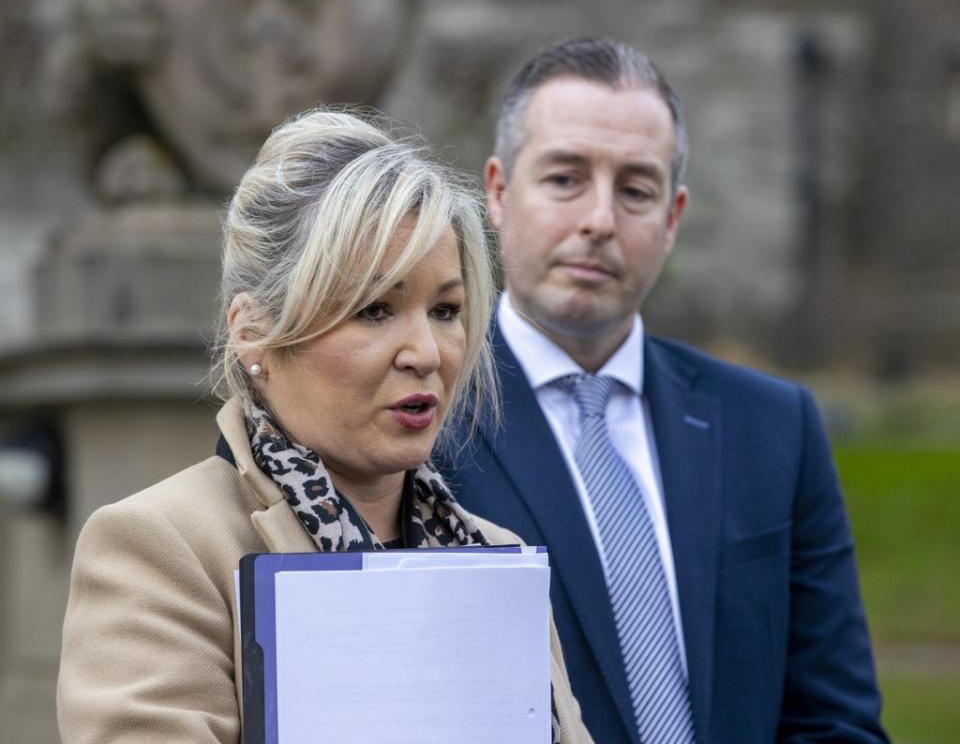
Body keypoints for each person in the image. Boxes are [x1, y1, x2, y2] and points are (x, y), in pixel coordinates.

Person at [56, 109, 591, 743]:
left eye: (446, 309)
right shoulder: (161, 547)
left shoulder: (496, 555)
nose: (426, 350)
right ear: (254, 334)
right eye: (373, 309)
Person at [437, 37, 889, 743]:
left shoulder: (775, 428)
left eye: (636, 190)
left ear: (673, 218)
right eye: (564, 179)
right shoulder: (423, 422)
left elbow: (836, 720)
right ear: (497, 192)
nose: (599, 220)